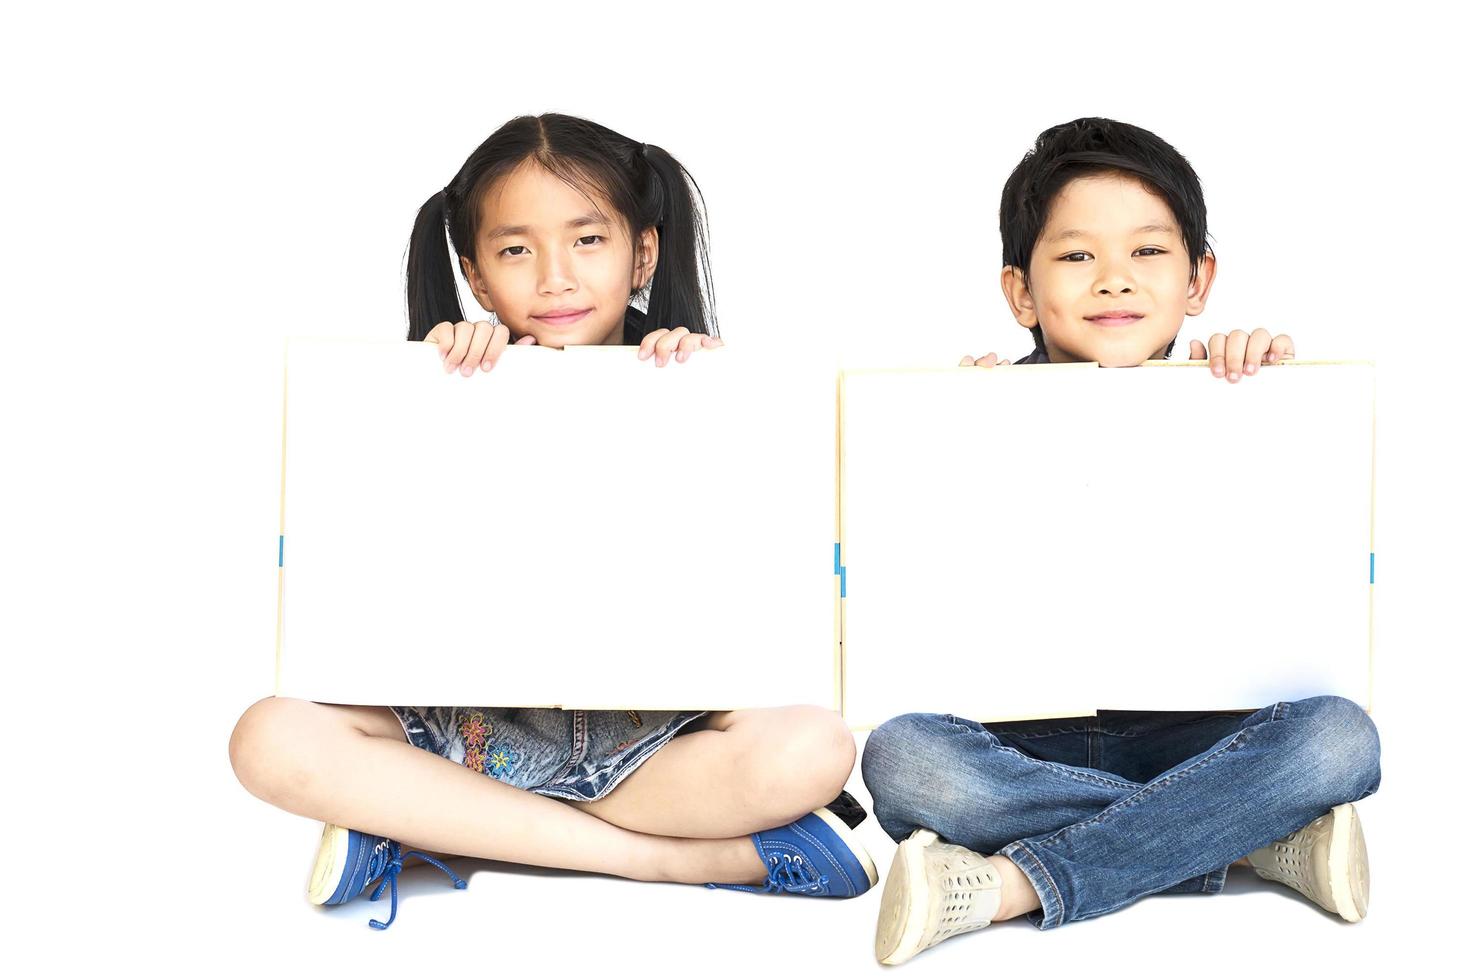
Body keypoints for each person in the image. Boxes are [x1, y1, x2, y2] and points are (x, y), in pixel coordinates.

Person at [231, 113, 875, 931]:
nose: (555, 277)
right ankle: (670, 860)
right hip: (469, 727)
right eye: (514, 250)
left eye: (587, 241)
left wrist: (710, 404)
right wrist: (434, 393)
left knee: (815, 749)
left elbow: (759, 605)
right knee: (266, 736)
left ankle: (439, 834)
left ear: (642, 252)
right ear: (475, 274)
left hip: (645, 744)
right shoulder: (443, 379)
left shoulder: (699, 383)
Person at [861, 117, 1380, 966]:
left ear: (1198, 278)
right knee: (905, 761)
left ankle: (1008, 886)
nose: (1114, 282)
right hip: (1026, 735)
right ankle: (1248, 840)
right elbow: (919, 600)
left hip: (1208, 729)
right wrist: (943, 450)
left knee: (1341, 741)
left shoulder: (1241, 390)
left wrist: (1278, 402)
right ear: (1021, 293)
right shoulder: (972, 413)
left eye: (1147, 253)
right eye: (1074, 257)